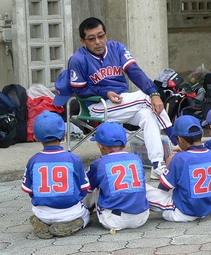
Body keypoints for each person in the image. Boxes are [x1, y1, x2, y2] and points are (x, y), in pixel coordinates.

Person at [61, 17, 175, 180]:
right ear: (83, 41)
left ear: (106, 35)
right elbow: (80, 90)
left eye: (101, 36)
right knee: (146, 98)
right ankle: (178, 142)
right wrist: (104, 92)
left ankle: (157, 165)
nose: (98, 42)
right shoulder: (77, 59)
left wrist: (152, 92)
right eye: (91, 39)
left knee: (148, 115)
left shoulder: (117, 48)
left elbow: (135, 72)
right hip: (96, 106)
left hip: (123, 103)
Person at [21, 110, 90, 239]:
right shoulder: (73, 159)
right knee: (86, 214)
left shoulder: (33, 160)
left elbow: (29, 191)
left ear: (35, 137)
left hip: (42, 212)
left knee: (39, 212)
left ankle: (41, 222)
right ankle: (76, 223)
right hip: (70, 212)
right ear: (64, 135)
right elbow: (84, 189)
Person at [147, 115, 211, 222]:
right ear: (201, 133)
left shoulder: (178, 158)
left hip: (183, 212)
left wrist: (170, 161)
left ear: (180, 139)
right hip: (207, 209)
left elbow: (164, 187)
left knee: (144, 191)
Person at [84, 122, 149, 231]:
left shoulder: (99, 163)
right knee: (141, 187)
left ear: (99, 145)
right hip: (141, 218)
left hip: (113, 221)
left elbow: (88, 188)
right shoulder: (136, 158)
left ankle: (83, 212)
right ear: (124, 144)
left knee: (92, 188)